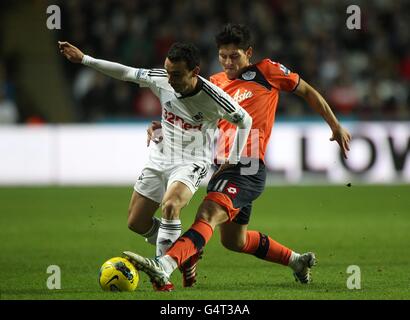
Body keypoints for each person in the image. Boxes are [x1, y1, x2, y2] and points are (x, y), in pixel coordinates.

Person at [123, 23, 352, 289]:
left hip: (247, 164)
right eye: (223, 56)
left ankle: (165, 264)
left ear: (249, 53)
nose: (228, 62)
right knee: (234, 241)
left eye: (235, 56)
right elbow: (194, 118)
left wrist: (335, 125)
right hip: (223, 164)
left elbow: (307, 91)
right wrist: (162, 126)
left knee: (208, 213)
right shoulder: (215, 83)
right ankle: (296, 261)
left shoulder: (267, 71)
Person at [58, 40, 252, 291]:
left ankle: (162, 277)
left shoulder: (213, 97)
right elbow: (126, 72)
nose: (170, 79)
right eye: (168, 72)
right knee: (136, 222)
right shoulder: (161, 78)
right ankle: (186, 251)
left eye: (177, 74)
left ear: (195, 72)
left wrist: (233, 158)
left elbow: (245, 119)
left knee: (170, 206)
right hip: (159, 158)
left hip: (191, 162)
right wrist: (85, 59)